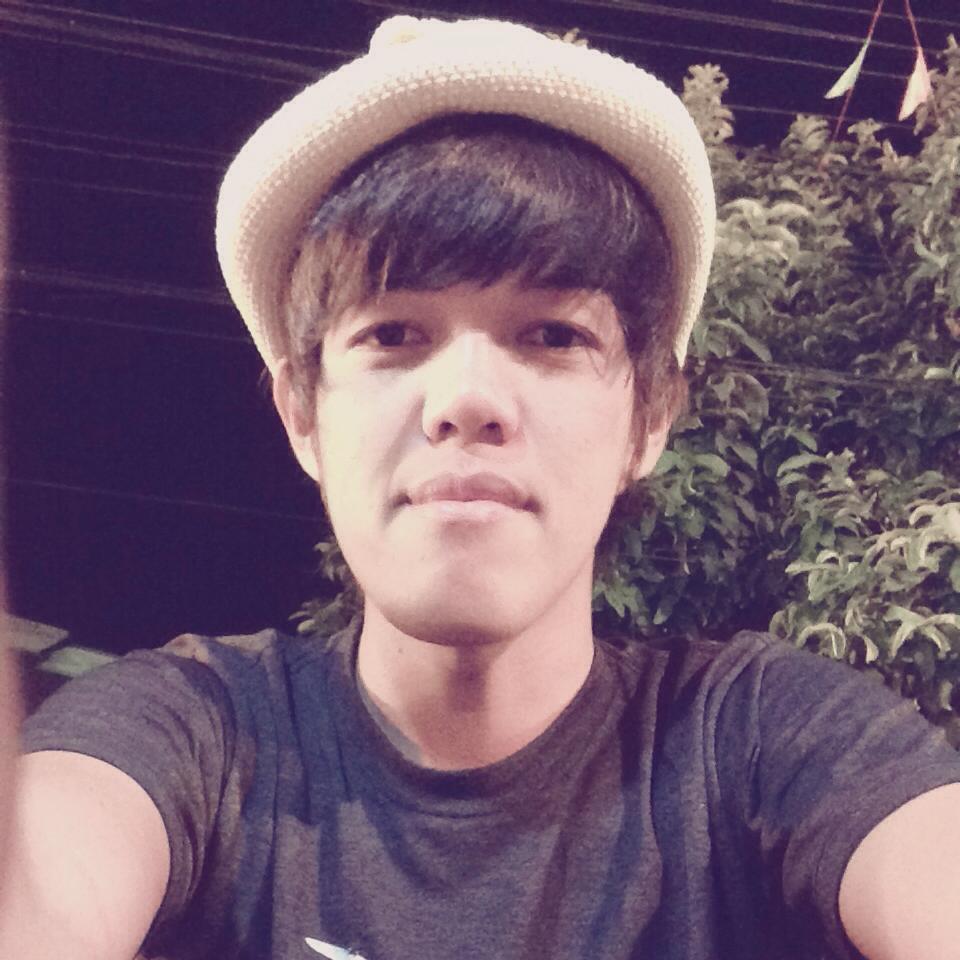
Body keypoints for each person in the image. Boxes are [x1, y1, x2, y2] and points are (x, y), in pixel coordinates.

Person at [1, 14, 959, 960]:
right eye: (391, 335)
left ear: (651, 415)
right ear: (301, 412)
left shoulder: (767, 741)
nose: (465, 399)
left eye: (553, 335)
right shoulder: (192, 733)